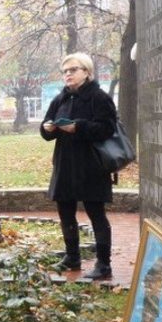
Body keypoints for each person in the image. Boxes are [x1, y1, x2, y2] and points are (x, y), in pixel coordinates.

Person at [41, 52, 117, 281]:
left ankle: (104, 265)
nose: (68, 75)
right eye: (65, 71)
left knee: (96, 214)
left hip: (92, 165)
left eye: (73, 70)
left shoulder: (99, 97)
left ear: (87, 72)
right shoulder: (60, 99)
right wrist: (47, 129)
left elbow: (107, 129)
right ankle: (72, 257)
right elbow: (45, 130)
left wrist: (79, 127)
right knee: (65, 212)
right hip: (65, 164)